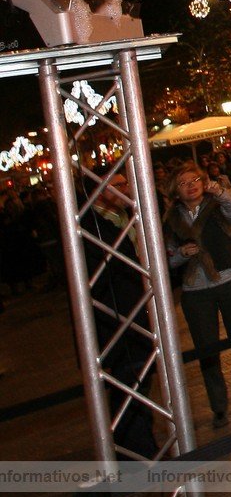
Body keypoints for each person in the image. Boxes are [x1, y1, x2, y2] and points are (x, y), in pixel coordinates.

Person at [164, 163, 231, 428]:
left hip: (230, 279)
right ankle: (219, 406)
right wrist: (179, 255)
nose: (191, 184)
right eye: (184, 182)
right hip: (195, 291)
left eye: (195, 179)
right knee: (207, 350)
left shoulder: (217, 205)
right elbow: (166, 257)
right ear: (176, 189)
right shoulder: (170, 220)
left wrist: (218, 190)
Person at [80, 173, 159, 458]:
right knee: (130, 388)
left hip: (140, 311)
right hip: (116, 319)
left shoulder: (127, 218)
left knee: (140, 384)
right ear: (98, 189)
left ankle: (138, 446)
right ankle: (138, 453)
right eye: (117, 185)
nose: (126, 189)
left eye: (126, 183)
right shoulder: (90, 226)